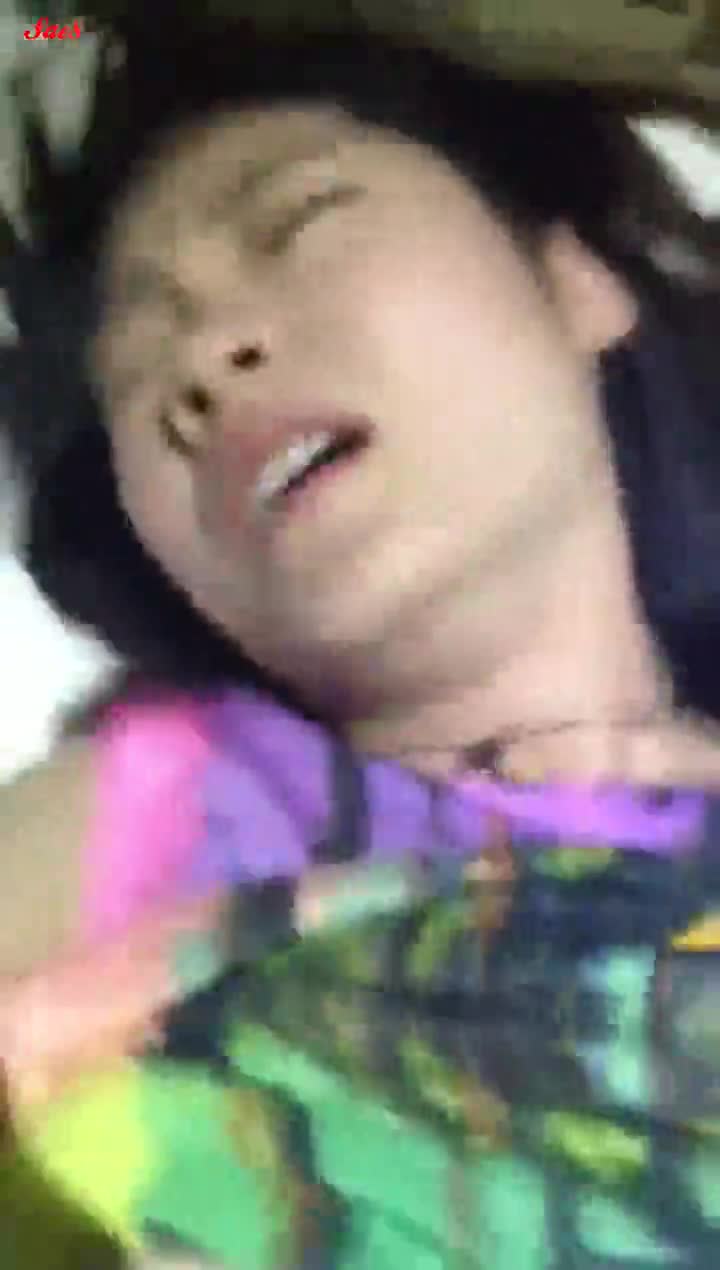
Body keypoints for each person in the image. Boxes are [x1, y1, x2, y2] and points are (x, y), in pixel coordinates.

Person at [3, 18, 720, 1267]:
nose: (203, 363)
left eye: (300, 223)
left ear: (575, 282)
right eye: (135, 368)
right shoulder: (152, 803)